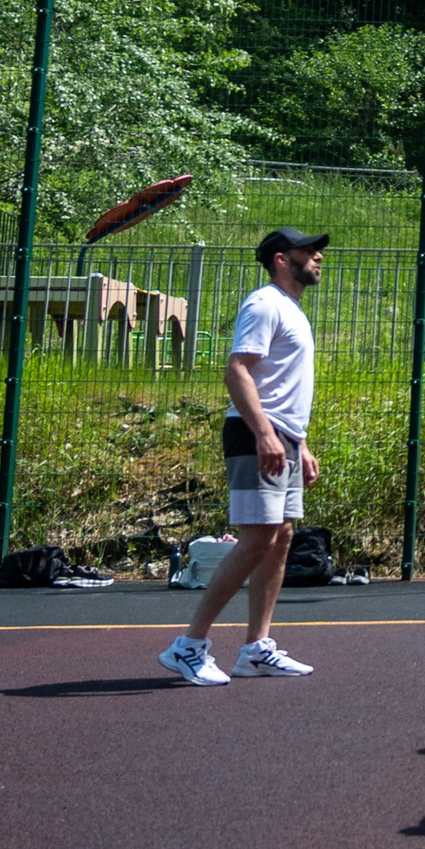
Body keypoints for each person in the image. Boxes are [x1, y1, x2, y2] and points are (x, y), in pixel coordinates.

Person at [158, 228, 327, 685]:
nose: (317, 257)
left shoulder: (292, 309)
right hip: (256, 436)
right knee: (258, 538)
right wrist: (265, 433)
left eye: (317, 252)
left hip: (284, 438)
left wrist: (300, 444)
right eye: (308, 251)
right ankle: (188, 646)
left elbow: (282, 387)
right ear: (279, 259)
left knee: (282, 536)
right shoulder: (265, 304)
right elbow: (237, 372)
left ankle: (255, 649)